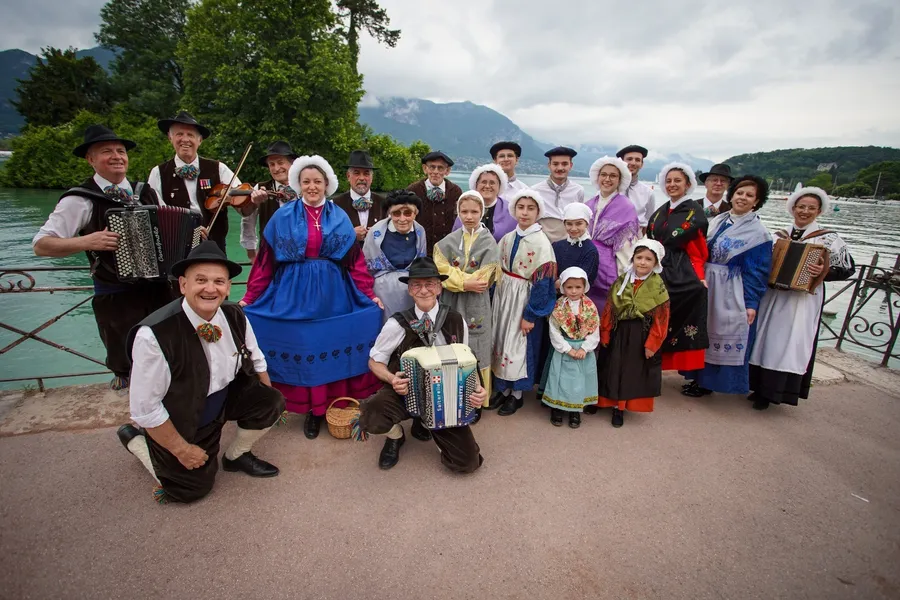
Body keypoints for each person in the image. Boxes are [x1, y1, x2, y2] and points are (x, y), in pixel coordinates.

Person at [116, 241, 285, 503]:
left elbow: (257, 359)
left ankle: (236, 456)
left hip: (225, 399)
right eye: (201, 280)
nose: (210, 288)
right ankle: (137, 441)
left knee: (272, 401)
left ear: (228, 287)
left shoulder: (234, 313)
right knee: (189, 491)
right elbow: (145, 408)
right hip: (184, 415)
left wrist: (269, 399)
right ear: (183, 285)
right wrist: (182, 450)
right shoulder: (153, 335)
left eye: (219, 281)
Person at [240, 156, 384, 439]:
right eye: (306, 181)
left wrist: (368, 295)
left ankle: (331, 403)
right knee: (304, 346)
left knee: (330, 344)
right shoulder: (282, 216)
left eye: (317, 181)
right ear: (298, 184)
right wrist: (250, 296)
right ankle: (311, 410)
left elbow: (353, 261)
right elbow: (265, 262)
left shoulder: (339, 216)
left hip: (334, 294)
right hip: (293, 292)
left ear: (327, 184)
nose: (312, 186)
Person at [32, 124, 171, 391]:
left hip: (159, 289)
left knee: (167, 349)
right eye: (107, 151)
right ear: (90, 159)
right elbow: (41, 244)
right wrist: (87, 241)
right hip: (116, 294)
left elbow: (166, 227)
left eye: (121, 151)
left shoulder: (145, 192)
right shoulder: (81, 199)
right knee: (127, 358)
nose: (117, 156)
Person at [357, 257, 487, 472]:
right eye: (417, 284)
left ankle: (428, 424)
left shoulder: (455, 319)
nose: (423, 290)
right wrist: (391, 378)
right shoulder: (396, 323)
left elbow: (466, 361)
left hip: (444, 399)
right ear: (409, 290)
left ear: (439, 287)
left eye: (429, 284)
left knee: (467, 463)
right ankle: (396, 436)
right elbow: (374, 361)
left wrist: (478, 389)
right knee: (372, 415)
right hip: (404, 392)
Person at [749, 187, 855, 410]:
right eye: (801, 207)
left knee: (789, 342)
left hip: (802, 300)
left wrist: (822, 272)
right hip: (773, 295)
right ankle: (757, 386)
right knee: (765, 338)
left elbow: (847, 268)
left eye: (811, 208)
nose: (805, 211)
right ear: (793, 208)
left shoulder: (827, 238)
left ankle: (773, 392)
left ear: (819, 211)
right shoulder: (779, 235)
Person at [682, 176, 773, 398]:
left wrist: (751, 303)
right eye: (740, 193)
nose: (743, 198)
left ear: (757, 201)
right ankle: (697, 378)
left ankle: (710, 383)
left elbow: (757, 272)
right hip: (708, 284)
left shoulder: (758, 234)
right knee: (704, 331)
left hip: (731, 288)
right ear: (731, 195)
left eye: (749, 195)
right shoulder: (718, 220)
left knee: (722, 332)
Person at [491, 189, 558, 415]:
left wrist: (531, 314)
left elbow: (543, 283)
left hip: (523, 298)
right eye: (521, 207)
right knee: (501, 340)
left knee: (518, 344)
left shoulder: (541, 243)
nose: (525, 212)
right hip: (504, 296)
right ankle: (502, 387)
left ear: (538, 212)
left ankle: (517, 395)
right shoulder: (508, 237)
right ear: (514, 210)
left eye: (531, 208)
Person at [434, 190, 501, 414]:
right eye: (464, 211)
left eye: (474, 211)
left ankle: (477, 400)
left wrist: (456, 277)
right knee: (450, 341)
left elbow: (484, 278)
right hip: (452, 300)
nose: (469, 216)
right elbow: (440, 269)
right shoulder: (448, 241)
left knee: (477, 346)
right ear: (458, 212)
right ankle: (452, 393)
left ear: (482, 212)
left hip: (476, 304)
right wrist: (464, 283)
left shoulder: (489, 242)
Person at [148, 111, 247, 255]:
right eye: (179, 134)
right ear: (170, 137)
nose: (185, 139)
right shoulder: (158, 173)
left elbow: (244, 208)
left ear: (199, 140)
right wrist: (187, 228)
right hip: (176, 248)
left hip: (214, 246)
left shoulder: (219, 168)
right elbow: (156, 213)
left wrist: (250, 199)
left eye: (190, 135)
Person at [597, 240, 670, 427]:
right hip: (618, 331)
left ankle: (620, 408)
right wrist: (605, 332)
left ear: (656, 262)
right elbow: (609, 308)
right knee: (611, 367)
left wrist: (652, 344)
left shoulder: (657, 286)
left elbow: (661, 318)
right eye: (639, 258)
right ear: (633, 258)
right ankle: (605, 401)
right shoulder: (622, 281)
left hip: (640, 334)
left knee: (630, 372)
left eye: (648, 259)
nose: (643, 262)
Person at [647, 162, 709, 371]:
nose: (672, 184)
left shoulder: (694, 213)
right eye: (669, 181)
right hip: (656, 267)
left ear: (688, 184)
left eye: (677, 181)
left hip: (679, 269)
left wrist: (699, 277)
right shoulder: (661, 211)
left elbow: (698, 251)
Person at [542, 267, 600, 428]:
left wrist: (584, 348)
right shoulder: (558, 306)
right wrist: (567, 349)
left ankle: (575, 411)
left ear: (584, 287)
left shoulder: (590, 306)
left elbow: (595, 329)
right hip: (564, 348)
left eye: (578, 287)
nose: (574, 291)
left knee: (578, 381)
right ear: (563, 288)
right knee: (560, 379)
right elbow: (554, 331)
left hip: (582, 349)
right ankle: (557, 408)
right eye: (569, 287)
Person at [584, 156, 641, 313]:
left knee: (605, 311)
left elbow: (627, 248)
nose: (607, 179)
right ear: (598, 176)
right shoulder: (588, 204)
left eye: (613, 175)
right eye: (604, 174)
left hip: (608, 269)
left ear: (620, 179)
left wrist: (624, 282)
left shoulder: (626, 207)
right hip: (587, 266)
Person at [363, 190, 427, 321]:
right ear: (389, 214)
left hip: (411, 290)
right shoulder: (376, 232)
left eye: (408, 213)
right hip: (383, 292)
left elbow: (421, 264)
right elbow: (365, 268)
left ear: (415, 214)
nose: (402, 219)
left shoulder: (420, 231)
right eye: (396, 213)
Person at [240, 140, 299, 260]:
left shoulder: (304, 186)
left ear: (292, 163)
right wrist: (251, 251)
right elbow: (248, 221)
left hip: (302, 253)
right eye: (272, 164)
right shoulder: (261, 188)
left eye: (280, 162)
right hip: (271, 254)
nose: (276, 168)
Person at [407, 150, 463, 256]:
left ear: (447, 171)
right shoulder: (413, 190)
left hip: (448, 249)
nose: (436, 171)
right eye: (432, 167)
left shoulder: (455, 191)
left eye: (440, 168)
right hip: (419, 249)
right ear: (425, 169)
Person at [530, 146, 585, 243]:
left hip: (569, 244)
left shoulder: (578, 191)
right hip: (543, 244)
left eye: (564, 164)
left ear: (571, 165)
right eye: (555, 164)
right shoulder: (535, 191)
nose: (560, 168)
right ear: (549, 165)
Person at [331, 150, 386, 247]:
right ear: (348, 176)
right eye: (357, 173)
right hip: (346, 261)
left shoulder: (385, 204)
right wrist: (350, 235)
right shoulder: (333, 205)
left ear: (372, 178)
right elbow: (327, 239)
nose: (362, 178)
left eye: (366, 173)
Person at [453, 163, 518, 241]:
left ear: (499, 186)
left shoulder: (510, 211)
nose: (487, 186)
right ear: (476, 185)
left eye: (492, 183)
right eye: (483, 182)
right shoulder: (465, 207)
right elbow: (455, 239)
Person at [616, 145, 656, 234]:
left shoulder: (648, 192)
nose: (633, 163)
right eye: (629, 159)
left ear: (642, 164)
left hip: (637, 239)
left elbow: (649, 219)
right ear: (621, 161)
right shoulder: (610, 189)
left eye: (637, 160)